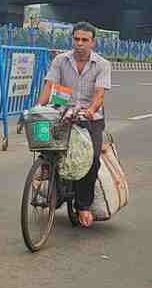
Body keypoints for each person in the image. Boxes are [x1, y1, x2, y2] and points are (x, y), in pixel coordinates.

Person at [38, 21, 111, 228]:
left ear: (92, 42)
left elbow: (99, 95)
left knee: (91, 159)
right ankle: (49, 175)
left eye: (84, 40)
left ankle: (83, 205)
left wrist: (90, 111)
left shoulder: (102, 64)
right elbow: (49, 86)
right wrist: (38, 108)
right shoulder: (60, 60)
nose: (80, 43)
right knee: (45, 140)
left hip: (89, 117)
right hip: (63, 113)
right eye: (76, 39)